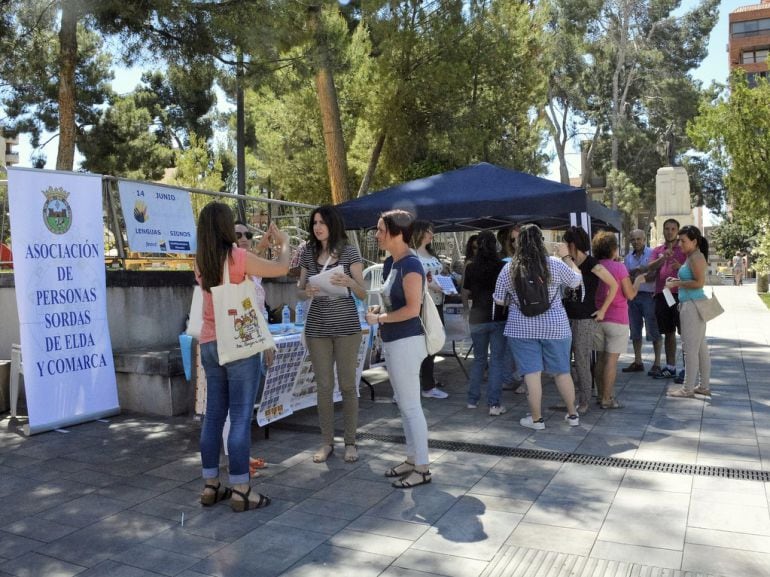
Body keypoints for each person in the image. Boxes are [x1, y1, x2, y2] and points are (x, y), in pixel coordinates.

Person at [196, 202, 290, 512]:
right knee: (239, 417)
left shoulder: (200, 261)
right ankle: (241, 489)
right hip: (238, 344)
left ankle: (211, 485)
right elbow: (281, 269)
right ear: (225, 227)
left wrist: (260, 248)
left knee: (213, 416)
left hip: (209, 343)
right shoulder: (236, 257)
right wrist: (285, 245)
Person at [365, 209, 432, 488]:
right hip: (394, 340)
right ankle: (412, 459)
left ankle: (423, 467)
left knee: (411, 406)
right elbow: (395, 303)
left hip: (406, 341)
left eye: (381, 229)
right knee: (405, 405)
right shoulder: (392, 263)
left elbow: (412, 310)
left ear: (396, 232)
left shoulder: (411, 265)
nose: (377, 234)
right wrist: (380, 310)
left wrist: (380, 317)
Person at [493, 224, 583, 430]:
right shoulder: (555, 263)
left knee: (531, 374)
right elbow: (576, 282)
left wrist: (515, 301)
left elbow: (498, 300)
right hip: (556, 327)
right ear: (540, 241)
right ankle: (572, 415)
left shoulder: (509, 268)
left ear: (519, 243)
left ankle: (536, 420)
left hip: (521, 328)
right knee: (562, 372)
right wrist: (568, 258)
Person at [297, 205, 367, 464]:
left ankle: (351, 442)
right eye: (314, 222)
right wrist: (307, 293)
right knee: (324, 387)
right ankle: (326, 442)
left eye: (322, 222)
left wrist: (349, 282)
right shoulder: (307, 252)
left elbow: (363, 292)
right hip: (317, 329)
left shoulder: (349, 251)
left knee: (348, 385)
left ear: (332, 224)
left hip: (348, 328)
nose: (317, 226)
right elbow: (299, 290)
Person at [561, 226, 618, 414]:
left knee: (582, 360)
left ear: (572, 244)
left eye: (565, 243)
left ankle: (584, 399)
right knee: (563, 360)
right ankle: (575, 395)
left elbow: (613, 284)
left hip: (584, 318)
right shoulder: (566, 262)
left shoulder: (592, 263)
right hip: (566, 316)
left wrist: (603, 310)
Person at [234, 220, 274, 476]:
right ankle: (237, 463)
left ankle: (243, 457)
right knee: (235, 409)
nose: (244, 238)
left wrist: (266, 241)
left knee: (244, 407)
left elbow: (258, 310)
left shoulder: (248, 264)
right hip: (239, 343)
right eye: (238, 234)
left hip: (252, 341)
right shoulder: (233, 267)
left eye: (248, 233)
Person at [591, 231, 645, 409]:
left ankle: (600, 395)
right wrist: (638, 281)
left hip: (598, 317)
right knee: (611, 361)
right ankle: (607, 398)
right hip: (617, 319)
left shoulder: (594, 265)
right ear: (614, 249)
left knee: (600, 360)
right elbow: (630, 294)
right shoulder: (619, 267)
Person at [462, 231, 507, 415]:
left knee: (479, 360)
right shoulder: (502, 266)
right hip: (498, 317)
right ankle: (494, 404)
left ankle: (472, 400)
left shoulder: (471, 267)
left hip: (477, 317)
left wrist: (466, 310)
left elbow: (464, 292)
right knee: (496, 361)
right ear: (494, 245)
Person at [665, 226, 711, 398]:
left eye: (683, 241)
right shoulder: (692, 256)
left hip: (693, 305)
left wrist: (677, 284)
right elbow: (692, 280)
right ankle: (703, 386)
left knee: (689, 349)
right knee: (700, 348)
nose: (680, 244)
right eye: (679, 240)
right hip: (693, 304)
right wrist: (678, 280)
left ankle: (687, 388)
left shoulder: (696, 257)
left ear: (694, 241)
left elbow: (699, 283)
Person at [410, 220, 449, 399]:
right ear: (419, 233)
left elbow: (437, 277)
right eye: (428, 231)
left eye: (432, 231)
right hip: (421, 306)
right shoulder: (412, 254)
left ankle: (428, 383)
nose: (431, 234)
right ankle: (424, 384)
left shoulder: (431, 254)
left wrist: (445, 282)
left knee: (433, 343)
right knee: (421, 346)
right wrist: (431, 285)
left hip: (437, 303)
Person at [647, 218, 686, 379]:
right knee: (668, 332)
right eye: (667, 229)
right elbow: (650, 267)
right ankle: (670, 367)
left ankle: (687, 369)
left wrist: (681, 267)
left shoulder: (684, 249)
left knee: (685, 333)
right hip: (662, 295)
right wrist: (663, 257)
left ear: (677, 231)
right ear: (663, 231)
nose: (669, 231)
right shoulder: (657, 250)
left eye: (672, 229)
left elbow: (694, 269)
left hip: (681, 295)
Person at [622, 229, 662, 374]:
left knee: (653, 329)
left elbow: (653, 275)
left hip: (649, 296)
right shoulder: (627, 258)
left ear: (645, 239)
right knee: (635, 330)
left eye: (639, 239)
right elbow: (625, 278)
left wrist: (637, 276)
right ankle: (638, 361)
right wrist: (641, 275)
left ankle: (657, 363)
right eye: (633, 239)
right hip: (633, 297)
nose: (636, 242)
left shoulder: (653, 254)